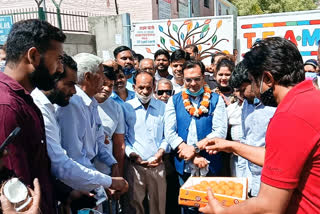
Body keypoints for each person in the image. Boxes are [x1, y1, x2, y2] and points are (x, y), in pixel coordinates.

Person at [200, 37, 320, 214]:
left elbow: (268, 206)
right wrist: (232, 146)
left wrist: (221, 211)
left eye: (253, 81)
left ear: (268, 79)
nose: (254, 90)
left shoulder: (289, 117)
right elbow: (282, 158)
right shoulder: (311, 98)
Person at [0, 19, 66, 214]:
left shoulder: (23, 100)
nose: (60, 69)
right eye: (58, 60)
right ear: (34, 56)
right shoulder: (7, 106)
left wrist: (63, 192)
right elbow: (14, 191)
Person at [56, 53, 128, 196]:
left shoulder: (92, 103)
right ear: (88, 77)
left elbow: (99, 140)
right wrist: (103, 183)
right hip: (78, 184)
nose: (104, 80)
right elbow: (75, 156)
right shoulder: (72, 104)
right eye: (101, 74)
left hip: (92, 175)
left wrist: (113, 164)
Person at [165, 60, 227, 214]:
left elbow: (220, 131)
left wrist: (194, 148)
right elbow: (170, 132)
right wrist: (187, 151)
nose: (193, 83)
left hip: (209, 163)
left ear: (203, 78)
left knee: (210, 207)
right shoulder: (174, 100)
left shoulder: (216, 99)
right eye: (188, 80)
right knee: (187, 207)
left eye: (197, 79)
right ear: (183, 80)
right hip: (184, 165)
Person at [125, 71, 168, 214]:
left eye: (148, 88)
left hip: (157, 165)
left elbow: (167, 135)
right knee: (135, 205)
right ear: (134, 87)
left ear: (154, 86)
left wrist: (160, 152)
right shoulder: (126, 107)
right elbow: (122, 137)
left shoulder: (163, 107)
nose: (145, 92)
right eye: (141, 88)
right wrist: (131, 154)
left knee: (158, 206)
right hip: (135, 166)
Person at [94, 65, 126, 177]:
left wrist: (118, 175)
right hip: (83, 173)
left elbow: (119, 144)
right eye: (104, 84)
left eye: (110, 86)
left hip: (106, 171)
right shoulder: (82, 103)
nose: (107, 89)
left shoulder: (116, 108)